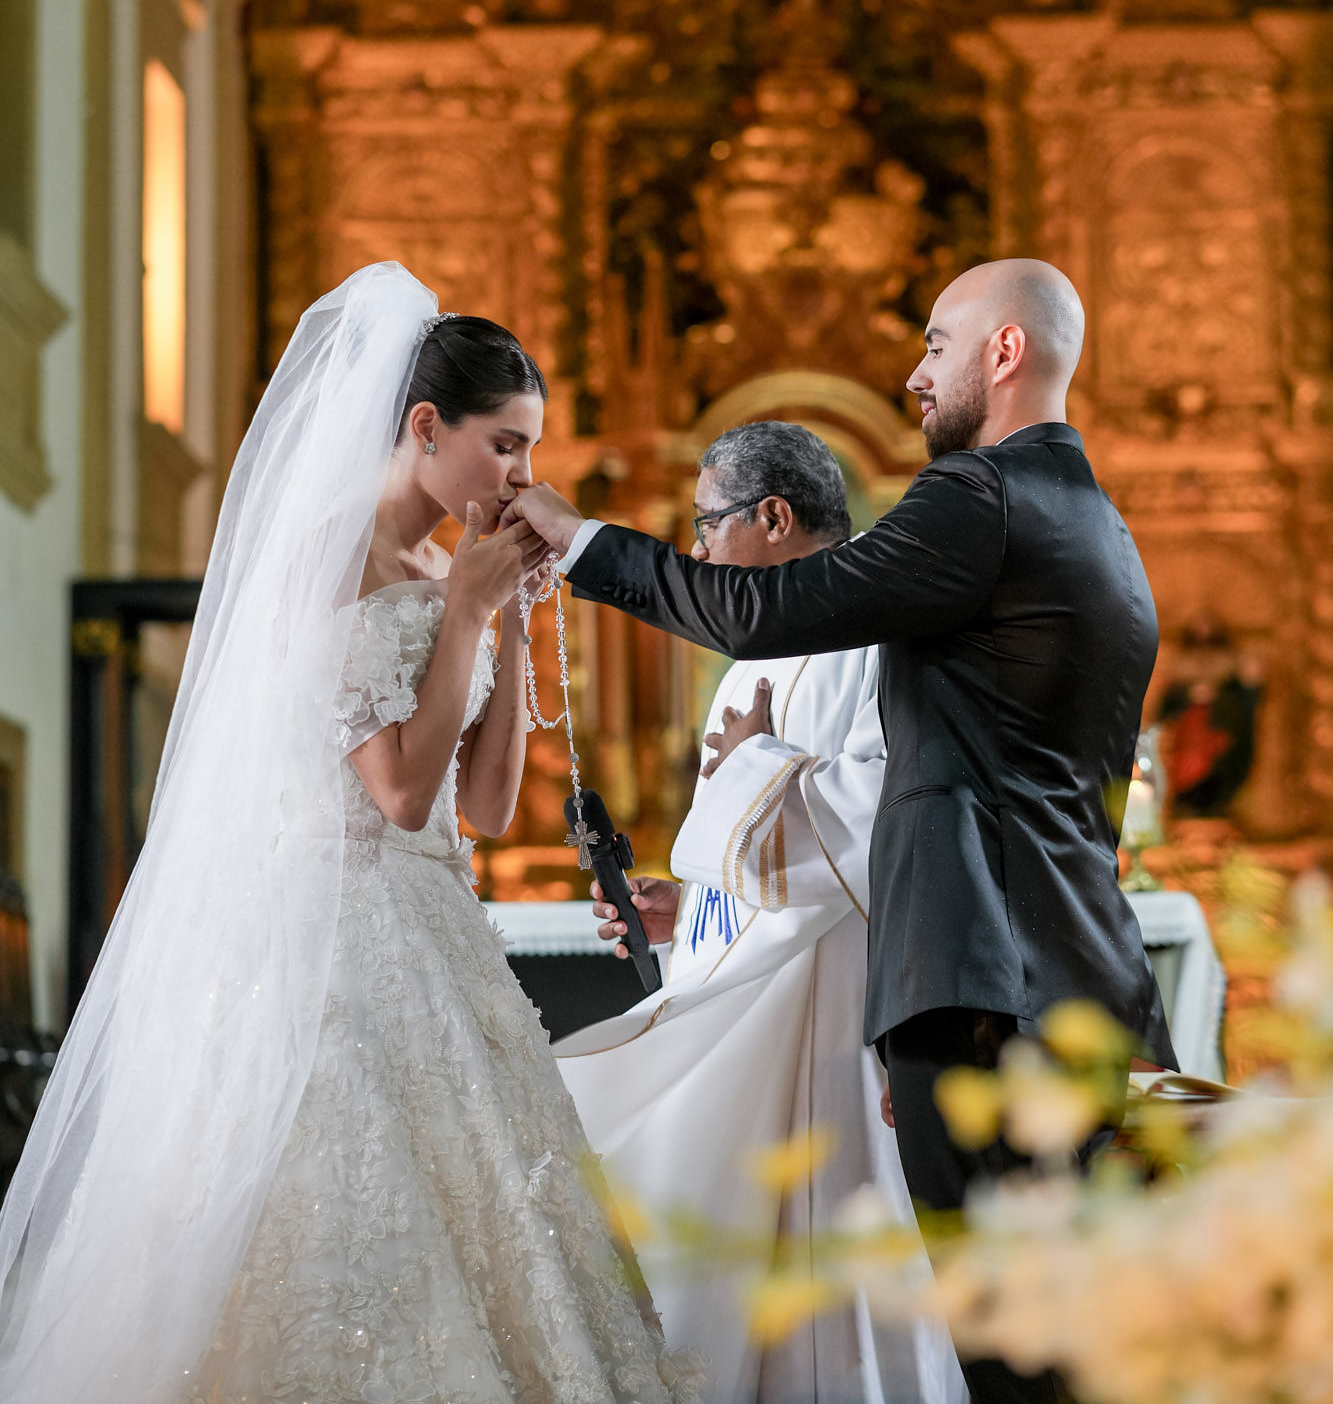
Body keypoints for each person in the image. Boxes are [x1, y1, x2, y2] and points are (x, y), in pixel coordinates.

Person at [0, 265, 701, 1404]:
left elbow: (480, 810)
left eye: (530, 449)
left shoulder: (444, 566)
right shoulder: (323, 560)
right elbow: (401, 796)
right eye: (505, 444)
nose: (524, 474)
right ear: (426, 426)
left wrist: (510, 623)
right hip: (332, 937)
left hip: (440, 923)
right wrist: (470, 609)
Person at [505, 258, 1177, 1404]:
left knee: (1006, 1342)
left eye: (933, 343)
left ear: (1003, 351)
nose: (915, 375)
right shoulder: (1096, 520)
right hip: (1067, 968)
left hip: (979, 990)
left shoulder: (982, 497)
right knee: (1053, 1336)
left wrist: (577, 539)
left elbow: (760, 610)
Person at [557, 421, 963, 1404]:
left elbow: (887, 815)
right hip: (752, 984)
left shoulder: (873, 631)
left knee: (814, 1263)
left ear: (773, 517)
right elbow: (754, 848)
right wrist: (684, 904)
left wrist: (752, 766)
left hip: (824, 1005)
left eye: (707, 524)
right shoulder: (763, 645)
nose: (697, 551)